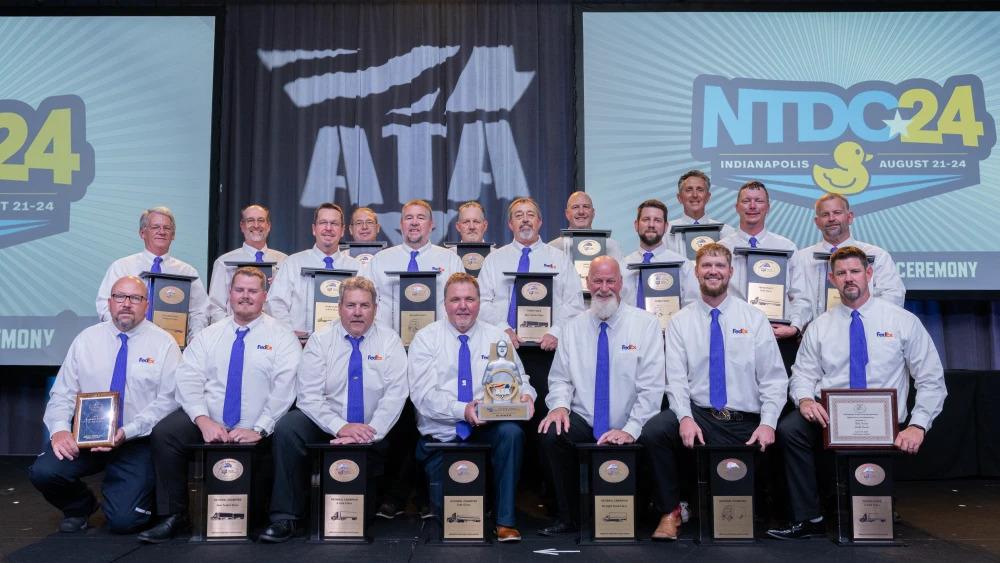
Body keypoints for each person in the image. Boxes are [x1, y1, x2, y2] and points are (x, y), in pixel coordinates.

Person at [767, 246, 947, 540]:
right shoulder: (820, 326)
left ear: (869, 274)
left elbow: (931, 379)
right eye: (841, 273)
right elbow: (802, 374)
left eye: (855, 271)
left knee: (870, 518)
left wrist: (917, 425)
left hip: (882, 421)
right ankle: (808, 517)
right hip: (831, 416)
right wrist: (804, 399)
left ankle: (877, 509)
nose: (849, 278)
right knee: (790, 430)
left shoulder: (902, 321)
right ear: (832, 279)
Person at [138, 267, 301, 542]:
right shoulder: (209, 336)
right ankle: (174, 515)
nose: (245, 296)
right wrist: (203, 420)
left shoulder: (282, 337)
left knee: (287, 434)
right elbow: (188, 379)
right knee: (166, 433)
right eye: (240, 290)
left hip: (259, 428)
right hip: (211, 423)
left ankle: (281, 518)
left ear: (264, 296)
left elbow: (285, 390)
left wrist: (259, 429)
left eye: (252, 291)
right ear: (230, 293)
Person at [639, 243, 787, 539]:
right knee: (655, 430)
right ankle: (670, 512)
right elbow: (676, 380)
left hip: (745, 419)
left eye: (719, 266)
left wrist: (768, 423)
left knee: (785, 437)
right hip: (701, 415)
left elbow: (773, 378)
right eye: (707, 266)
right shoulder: (680, 321)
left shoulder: (754, 318)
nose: (713, 271)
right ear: (696, 272)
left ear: (730, 272)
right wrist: (684, 417)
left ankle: (771, 514)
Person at [261, 276, 407, 542]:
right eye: (351, 305)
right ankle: (286, 517)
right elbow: (309, 397)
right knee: (288, 427)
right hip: (326, 425)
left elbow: (395, 395)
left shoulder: (390, 341)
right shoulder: (321, 340)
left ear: (376, 308)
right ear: (339, 307)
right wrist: (342, 426)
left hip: (372, 431)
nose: (357, 312)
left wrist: (369, 431)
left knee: (408, 419)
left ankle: (391, 499)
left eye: (364, 305)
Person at [31, 276, 181, 534]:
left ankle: (136, 497)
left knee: (125, 522)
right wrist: (59, 430)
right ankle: (80, 506)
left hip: (136, 440)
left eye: (135, 298)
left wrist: (128, 431)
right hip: (87, 435)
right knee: (44, 471)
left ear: (147, 305)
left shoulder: (164, 343)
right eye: (120, 297)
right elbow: (63, 392)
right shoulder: (86, 340)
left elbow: (168, 402)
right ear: (110, 302)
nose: (126, 304)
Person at [536, 257, 665, 536]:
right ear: (588, 283)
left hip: (632, 419)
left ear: (621, 284)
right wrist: (559, 407)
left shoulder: (646, 324)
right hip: (585, 417)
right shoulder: (572, 328)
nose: (604, 288)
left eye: (610, 281)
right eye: (597, 281)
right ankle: (568, 516)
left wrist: (630, 429)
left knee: (652, 433)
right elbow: (559, 378)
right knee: (552, 433)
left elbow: (652, 387)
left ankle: (642, 511)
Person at [409, 273, 536, 542]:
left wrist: (527, 395)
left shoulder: (496, 337)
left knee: (511, 433)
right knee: (454, 522)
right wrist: (462, 409)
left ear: (480, 303)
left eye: (470, 299)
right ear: (444, 304)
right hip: (443, 433)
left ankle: (505, 521)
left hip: (486, 430)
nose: (463, 305)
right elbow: (423, 396)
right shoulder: (426, 338)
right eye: (455, 299)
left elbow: (520, 379)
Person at [478, 197, 586, 351]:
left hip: (549, 346)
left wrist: (556, 332)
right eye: (518, 216)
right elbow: (481, 302)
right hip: (502, 343)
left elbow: (574, 303)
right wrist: (503, 329)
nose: (525, 220)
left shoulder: (560, 258)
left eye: (530, 215)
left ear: (540, 222)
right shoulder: (493, 260)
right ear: (510, 224)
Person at [787, 193, 905, 331]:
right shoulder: (801, 258)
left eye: (837, 213)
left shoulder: (876, 255)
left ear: (850, 217)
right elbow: (796, 300)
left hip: (866, 333)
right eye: (825, 214)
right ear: (817, 222)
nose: (831, 219)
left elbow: (893, 296)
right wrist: (798, 326)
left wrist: (866, 324)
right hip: (814, 338)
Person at [97, 207, 209, 342]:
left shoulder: (187, 272)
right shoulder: (121, 267)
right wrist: (124, 329)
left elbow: (199, 312)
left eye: (167, 228)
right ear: (142, 233)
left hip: (173, 347)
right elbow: (105, 305)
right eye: (155, 227)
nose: (161, 232)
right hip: (127, 341)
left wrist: (194, 340)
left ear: (173, 235)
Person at [363, 199, 465, 334]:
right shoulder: (379, 260)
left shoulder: (451, 260)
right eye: (408, 218)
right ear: (401, 224)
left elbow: (462, 301)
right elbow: (363, 299)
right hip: (388, 342)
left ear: (431, 225)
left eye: (421, 218)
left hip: (440, 341)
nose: (414, 222)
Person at [718, 180, 799, 341]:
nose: (752, 206)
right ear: (736, 207)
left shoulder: (787, 247)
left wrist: (794, 327)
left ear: (768, 207)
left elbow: (800, 296)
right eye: (746, 201)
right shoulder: (720, 249)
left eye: (759, 201)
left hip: (778, 337)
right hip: (733, 335)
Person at [266, 202, 361, 338]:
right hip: (300, 346)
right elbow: (276, 302)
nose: (328, 228)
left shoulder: (357, 268)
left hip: (346, 345)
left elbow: (366, 307)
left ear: (342, 230)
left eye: (334, 223)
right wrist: (289, 334)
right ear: (314, 229)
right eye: (323, 222)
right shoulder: (293, 263)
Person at [207, 204, 288, 323]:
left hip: (275, 334)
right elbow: (215, 307)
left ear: (268, 226)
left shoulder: (285, 261)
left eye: (261, 220)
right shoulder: (223, 262)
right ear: (242, 226)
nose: (256, 225)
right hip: (236, 333)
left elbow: (292, 304)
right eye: (250, 220)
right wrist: (232, 330)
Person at [619, 199, 699, 311]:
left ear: (666, 226)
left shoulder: (684, 266)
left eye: (657, 220)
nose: (651, 225)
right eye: (646, 219)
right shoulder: (621, 267)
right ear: (636, 225)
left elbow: (693, 307)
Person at [666, 170, 736, 256]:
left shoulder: (727, 233)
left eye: (700, 189)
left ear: (708, 197)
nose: (695, 195)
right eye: (689, 190)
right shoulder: (665, 233)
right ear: (679, 198)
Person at [547, 191, 623, 260]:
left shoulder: (611, 246)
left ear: (593, 213)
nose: (581, 212)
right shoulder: (553, 248)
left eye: (586, 206)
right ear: (567, 214)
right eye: (575, 207)